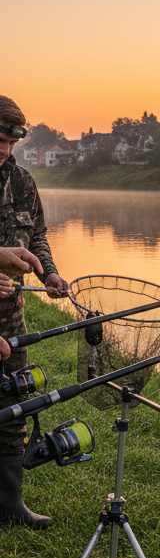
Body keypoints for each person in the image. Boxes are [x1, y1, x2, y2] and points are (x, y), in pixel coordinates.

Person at [0, 95, 68, 529]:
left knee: (12, 402)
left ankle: (10, 504)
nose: (3, 149)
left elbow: (37, 235)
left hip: (11, 316)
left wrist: (51, 276)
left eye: (9, 141)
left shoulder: (23, 181)